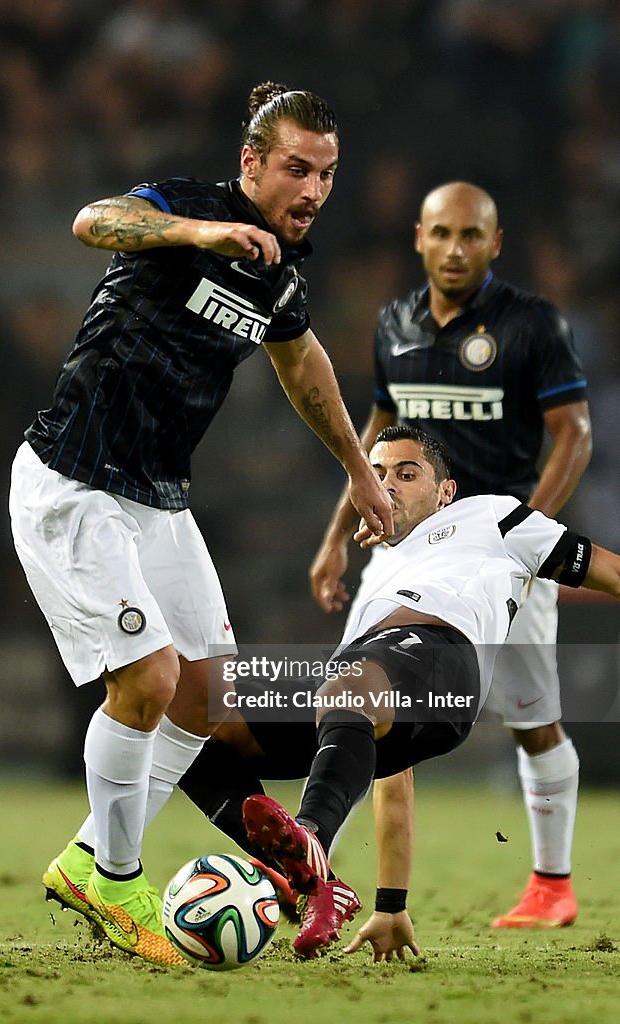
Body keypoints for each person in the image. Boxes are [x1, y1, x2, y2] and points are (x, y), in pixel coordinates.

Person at [8, 81, 393, 967]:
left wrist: (356, 471)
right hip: (74, 481)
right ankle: (114, 874)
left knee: (207, 696)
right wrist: (197, 233)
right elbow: (91, 222)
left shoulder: (281, 272)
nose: (312, 191)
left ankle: (89, 861)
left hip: (157, 497)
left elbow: (303, 369)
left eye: (326, 175)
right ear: (251, 162)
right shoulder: (188, 208)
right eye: (296, 169)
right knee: (145, 680)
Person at [180, 424, 619, 960]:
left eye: (407, 474)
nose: (388, 484)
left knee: (351, 685)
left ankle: (310, 838)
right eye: (377, 473)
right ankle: (318, 883)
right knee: (189, 720)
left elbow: (610, 571)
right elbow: (388, 768)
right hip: (374, 678)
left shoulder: (493, 517)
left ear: (444, 492)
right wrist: (391, 903)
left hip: (446, 661)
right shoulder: (375, 583)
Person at [309, 181, 592, 929]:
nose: (455, 249)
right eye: (441, 234)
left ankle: (550, 884)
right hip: (401, 546)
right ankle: (320, 876)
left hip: (496, 554)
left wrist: (528, 535)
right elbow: (374, 434)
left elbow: (574, 432)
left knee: (534, 721)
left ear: (495, 243)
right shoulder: (393, 322)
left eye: (471, 235)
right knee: (359, 702)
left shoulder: (530, 325)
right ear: (418, 238)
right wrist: (336, 538)